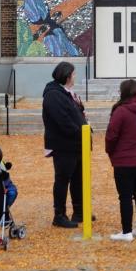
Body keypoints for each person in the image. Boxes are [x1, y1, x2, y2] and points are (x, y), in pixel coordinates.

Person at [42, 61, 88, 229]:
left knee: (78, 178)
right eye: (74, 74)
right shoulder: (53, 94)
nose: (75, 77)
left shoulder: (68, 93)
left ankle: (79, 211)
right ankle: (59, 214)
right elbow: (62, 120)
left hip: (76, 144)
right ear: (67, 76)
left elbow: (77, 113)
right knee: (63, 179)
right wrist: (78, 131)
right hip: (64, 144)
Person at [105, 79, 136, 242]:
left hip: (124, 160)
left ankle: (126, 231)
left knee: (125, 196)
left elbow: (111, 135)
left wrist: (109, 150)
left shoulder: (121, 111)